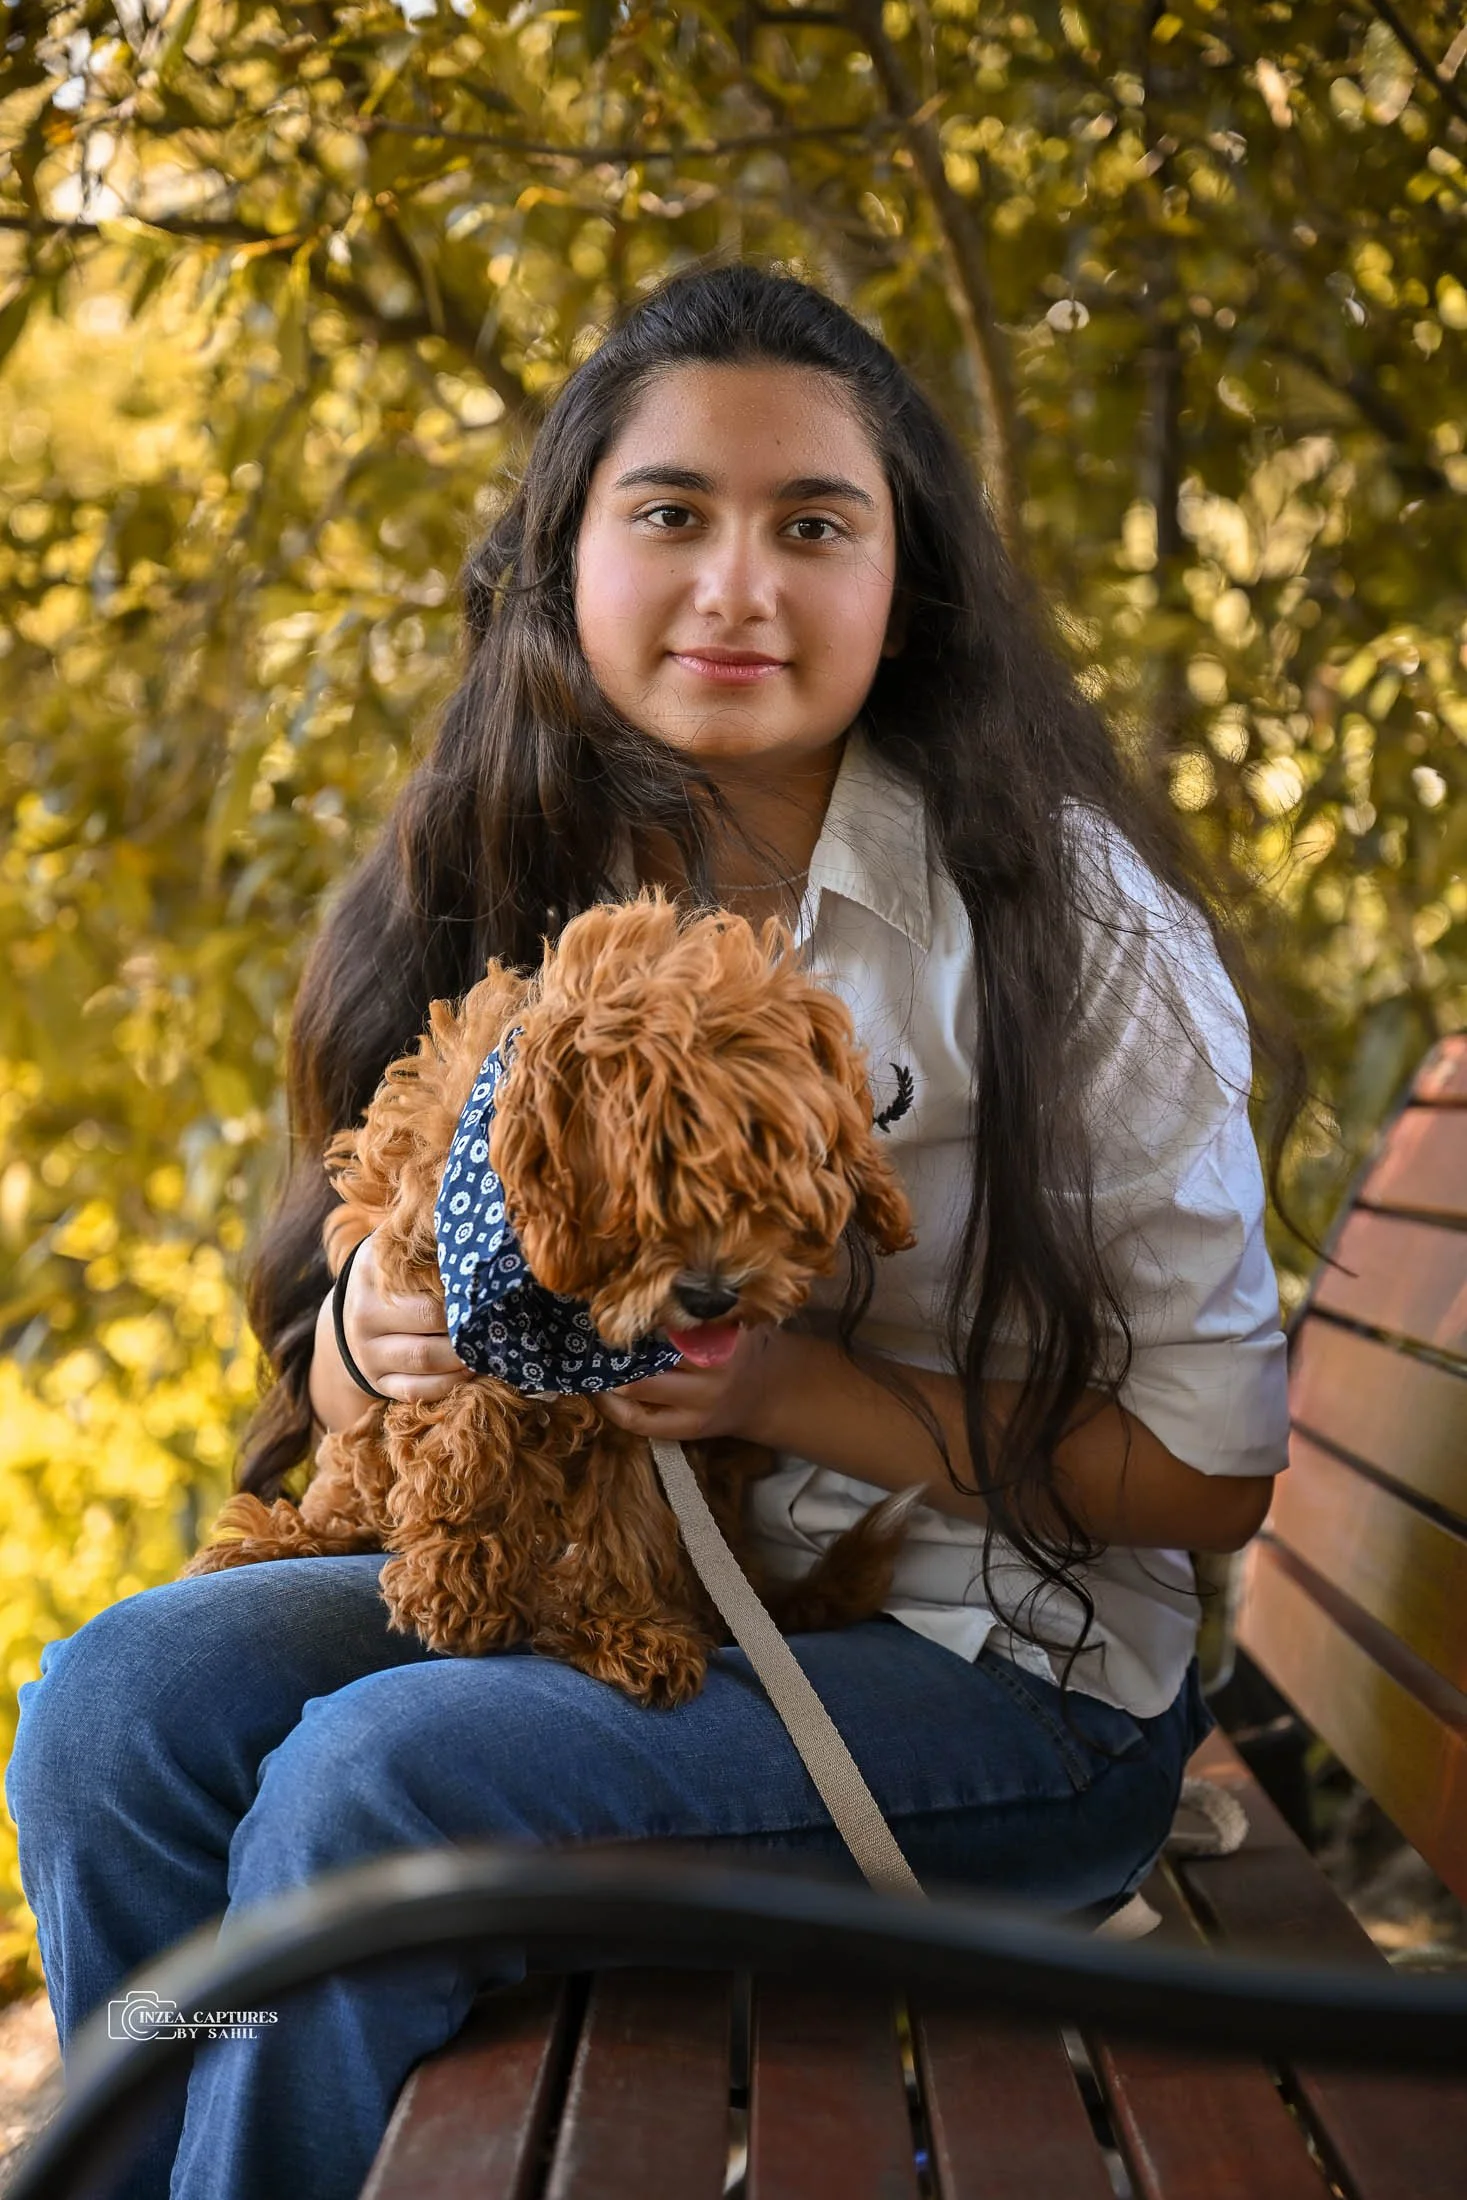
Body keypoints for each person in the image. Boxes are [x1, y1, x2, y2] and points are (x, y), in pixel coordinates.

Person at [6, 260, 1311, 2200]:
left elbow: (1211, 1474)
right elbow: (359, 1297)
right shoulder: (519, 858)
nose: (737, 587)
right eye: (671, 512)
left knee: (373, 1795)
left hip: (1011, 1697)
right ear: (566, 557)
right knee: (120, 1702)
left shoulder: (1067, 934)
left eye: (813, 524)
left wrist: (794, 1388)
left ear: (906, 580)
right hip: (643, 1599)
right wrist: (374, 1338)